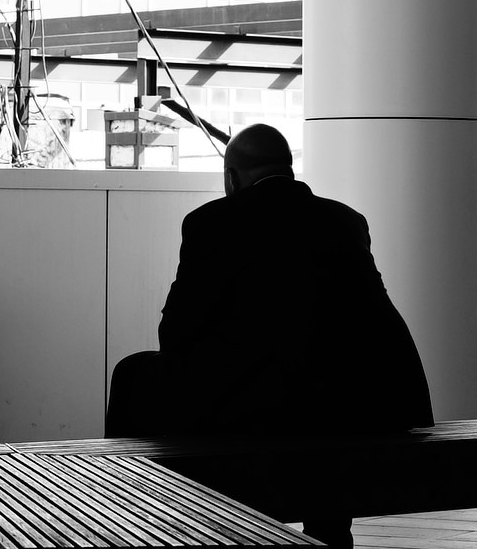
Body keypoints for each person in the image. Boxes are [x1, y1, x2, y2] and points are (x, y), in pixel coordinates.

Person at [105, 122, 432, 438]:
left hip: (253, 406)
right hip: (352, 395)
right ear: (289, 171)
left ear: (231, 178)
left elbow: (176, 332)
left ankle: (127, 482)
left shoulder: (212, 222)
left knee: (130, 372)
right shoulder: (345, 220)